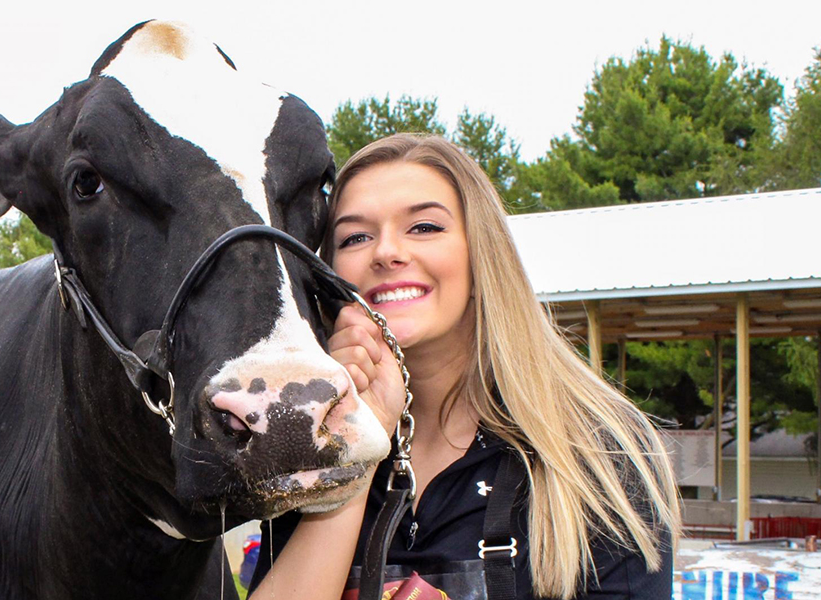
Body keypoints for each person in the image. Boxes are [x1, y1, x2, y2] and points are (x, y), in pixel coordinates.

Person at [248, 134, 681, 600]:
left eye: (424, 227)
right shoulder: (315, 450)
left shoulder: (598, 452)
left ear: (482, 256)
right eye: (355, 237)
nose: (385, 252)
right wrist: (357, 445)